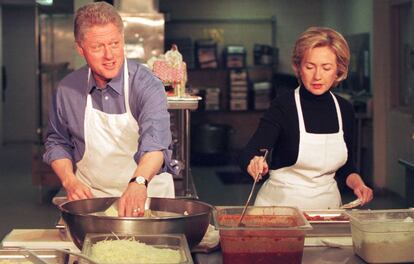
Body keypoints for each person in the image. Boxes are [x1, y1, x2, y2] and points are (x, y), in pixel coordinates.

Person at [43, 2, 174, 217]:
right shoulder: (68, 89)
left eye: (115, 43)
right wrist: (70, 180)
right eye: (97, 47)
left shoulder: (146, 84)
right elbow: (57, 141)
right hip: (93, 202)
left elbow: (155, 142)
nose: (109, 55)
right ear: (80, 48)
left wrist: (138, 182)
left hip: (148, 197)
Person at [239, 27, 373, 210]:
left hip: (328, 211)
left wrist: (359, 184)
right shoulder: (283, 106)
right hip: (280, 211)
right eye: (310, 67)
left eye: (326, 68)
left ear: (338, 70)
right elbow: (249, 153)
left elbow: (346, 167)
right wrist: (254, 163)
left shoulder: (345, 109)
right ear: (298, 68)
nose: (317, 76)